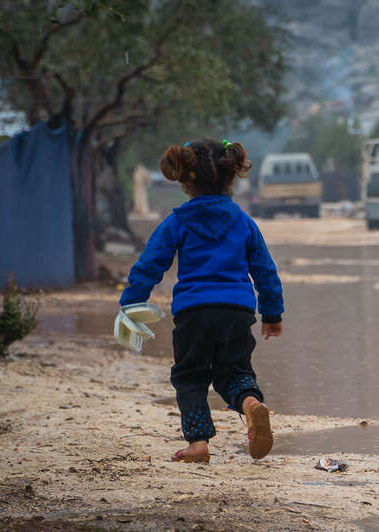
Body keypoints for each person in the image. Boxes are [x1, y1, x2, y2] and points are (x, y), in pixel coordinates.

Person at [119, 138, 284, 463]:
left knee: (190, 376)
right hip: (236, 312)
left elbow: (150, 264)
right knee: (234, 373)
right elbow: (265, 269)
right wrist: (272, 313)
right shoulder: (242, 221)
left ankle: (198, 444)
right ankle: (251, 405)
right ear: (229, 177)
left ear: (185, 180)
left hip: (193, 313)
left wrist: (131, 304)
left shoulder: (179, 220)